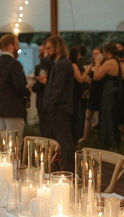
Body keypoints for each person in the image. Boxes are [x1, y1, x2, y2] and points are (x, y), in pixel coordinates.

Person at [0, 33, 30, 155]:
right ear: (10, 46)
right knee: (15, 144)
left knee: (4, 145)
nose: (18, 48)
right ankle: (14, 171)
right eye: (17, 45)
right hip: (13, 108)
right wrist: (27, 92)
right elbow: (19, 86)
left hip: (0, 108)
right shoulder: (14, 64)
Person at [43, 35, 75, 172]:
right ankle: (60, 169)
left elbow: (57, 88)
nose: (47, 51)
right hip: (57, 108)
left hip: (60, 109)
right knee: (59, 140)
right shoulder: (58, 64)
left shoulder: (63, 64)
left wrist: (50, 107)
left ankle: (67, 170)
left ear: (57, 47)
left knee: (64, 142)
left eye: (49, 48)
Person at [94, 43, 121, 148]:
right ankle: (113, 138)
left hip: (108, 91)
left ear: (107, 52)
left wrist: (97, 63)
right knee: (112, 114)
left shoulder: (109, 63)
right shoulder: (117, 62)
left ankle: (107, 139)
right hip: (115, 90)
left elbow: (97, 76)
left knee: (107, 114)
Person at [78, 47, 103, 143]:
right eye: (93, 54)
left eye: (97, 54)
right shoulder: (91, 66)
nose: (95, 56)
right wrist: (86, 79)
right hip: (92, 92)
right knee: (88, 115)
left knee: (102, 115)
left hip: (100, 92)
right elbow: (82, 77)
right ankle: (85, 136)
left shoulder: (102, 65)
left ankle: (101, 136)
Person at [31, 43, 53, 136]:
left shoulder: (48, 65)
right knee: (43, 124)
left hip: (46, 98)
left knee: (47, 125)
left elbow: (41, 83)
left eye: (41, 50)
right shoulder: (38, 67)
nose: (39, 53)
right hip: (41, 99)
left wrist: (35, 86)